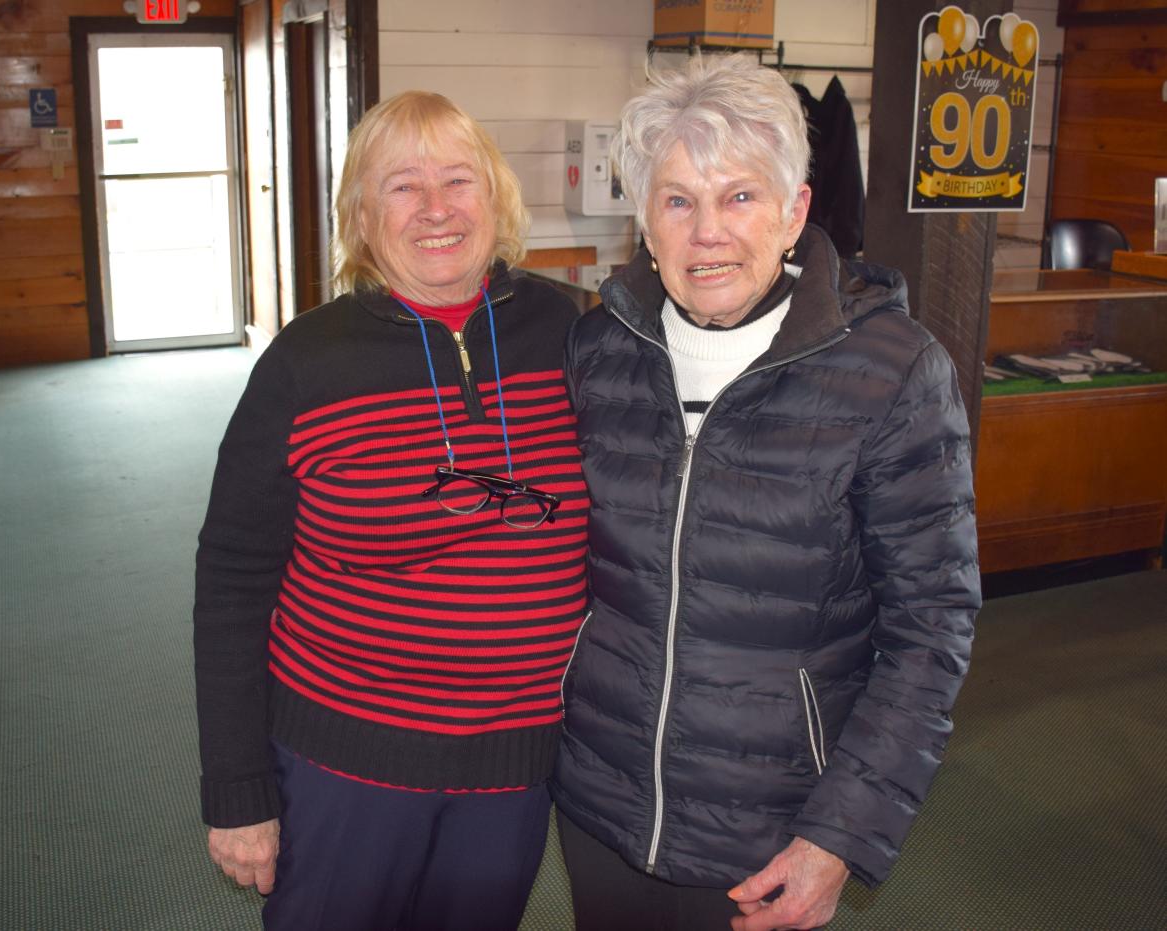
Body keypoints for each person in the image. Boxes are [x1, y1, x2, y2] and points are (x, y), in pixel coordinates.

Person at [551, 54, 980, 931]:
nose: (708, 231)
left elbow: (931, 626)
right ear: (646, 220)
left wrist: (842, 834)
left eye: (739, 196)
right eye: (678, 200)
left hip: (772, 833)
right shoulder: (597, 353)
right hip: (599, 800)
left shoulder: (893, 373)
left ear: (794, 212)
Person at [193, 90, 590, 930]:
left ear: (497, 197)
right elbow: (231, 579)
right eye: (403, 186)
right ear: (363, 216)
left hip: (516, 770)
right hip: (347, 764)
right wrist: (236, 787)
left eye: (458, 179)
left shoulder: (573, 335)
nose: (438, 209)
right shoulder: (304, 365)